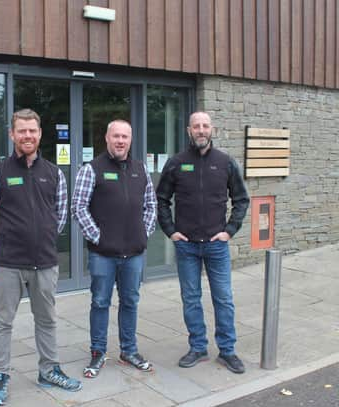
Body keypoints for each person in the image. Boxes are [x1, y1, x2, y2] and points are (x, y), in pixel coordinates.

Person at [0, 108, 82, 406]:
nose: (27, 136)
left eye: (32, 131)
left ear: (39, 134)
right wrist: (6, 244)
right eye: (22, 131)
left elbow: (60, 216)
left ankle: (49, 370)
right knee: (2, 322)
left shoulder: (54, 174)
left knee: (47, 319)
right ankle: (0, 376)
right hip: (8, 263)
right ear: (12, 134)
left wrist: (44, 238)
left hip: (45, 263)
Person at [156, 111, 250, 374]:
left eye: (205, 126)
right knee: (191, 299)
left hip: (216, 244)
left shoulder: (225, 163)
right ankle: (198, 347)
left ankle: (227, 351)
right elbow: (161, 199)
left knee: (223, 299)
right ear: (188, 130)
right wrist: (171, 231)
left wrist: (229, 231)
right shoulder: (176, 163)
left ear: (212, 130)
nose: (201, 130)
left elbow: (241, 199)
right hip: (186, 245)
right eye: (196, 126)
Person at [71, 120, 157, 378]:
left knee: (130, 301)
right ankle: (98, 353)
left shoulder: (140, 170)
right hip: (103, 255)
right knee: (100, 302)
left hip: (134, 254)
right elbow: (78, 206)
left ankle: (128, 351)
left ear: (131, 140)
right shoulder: (92, 169)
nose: (121, 141)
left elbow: (151, 206)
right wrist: (97, 237)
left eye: (125, 137)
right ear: (107, 138)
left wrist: (144, 233)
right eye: (116, 136)